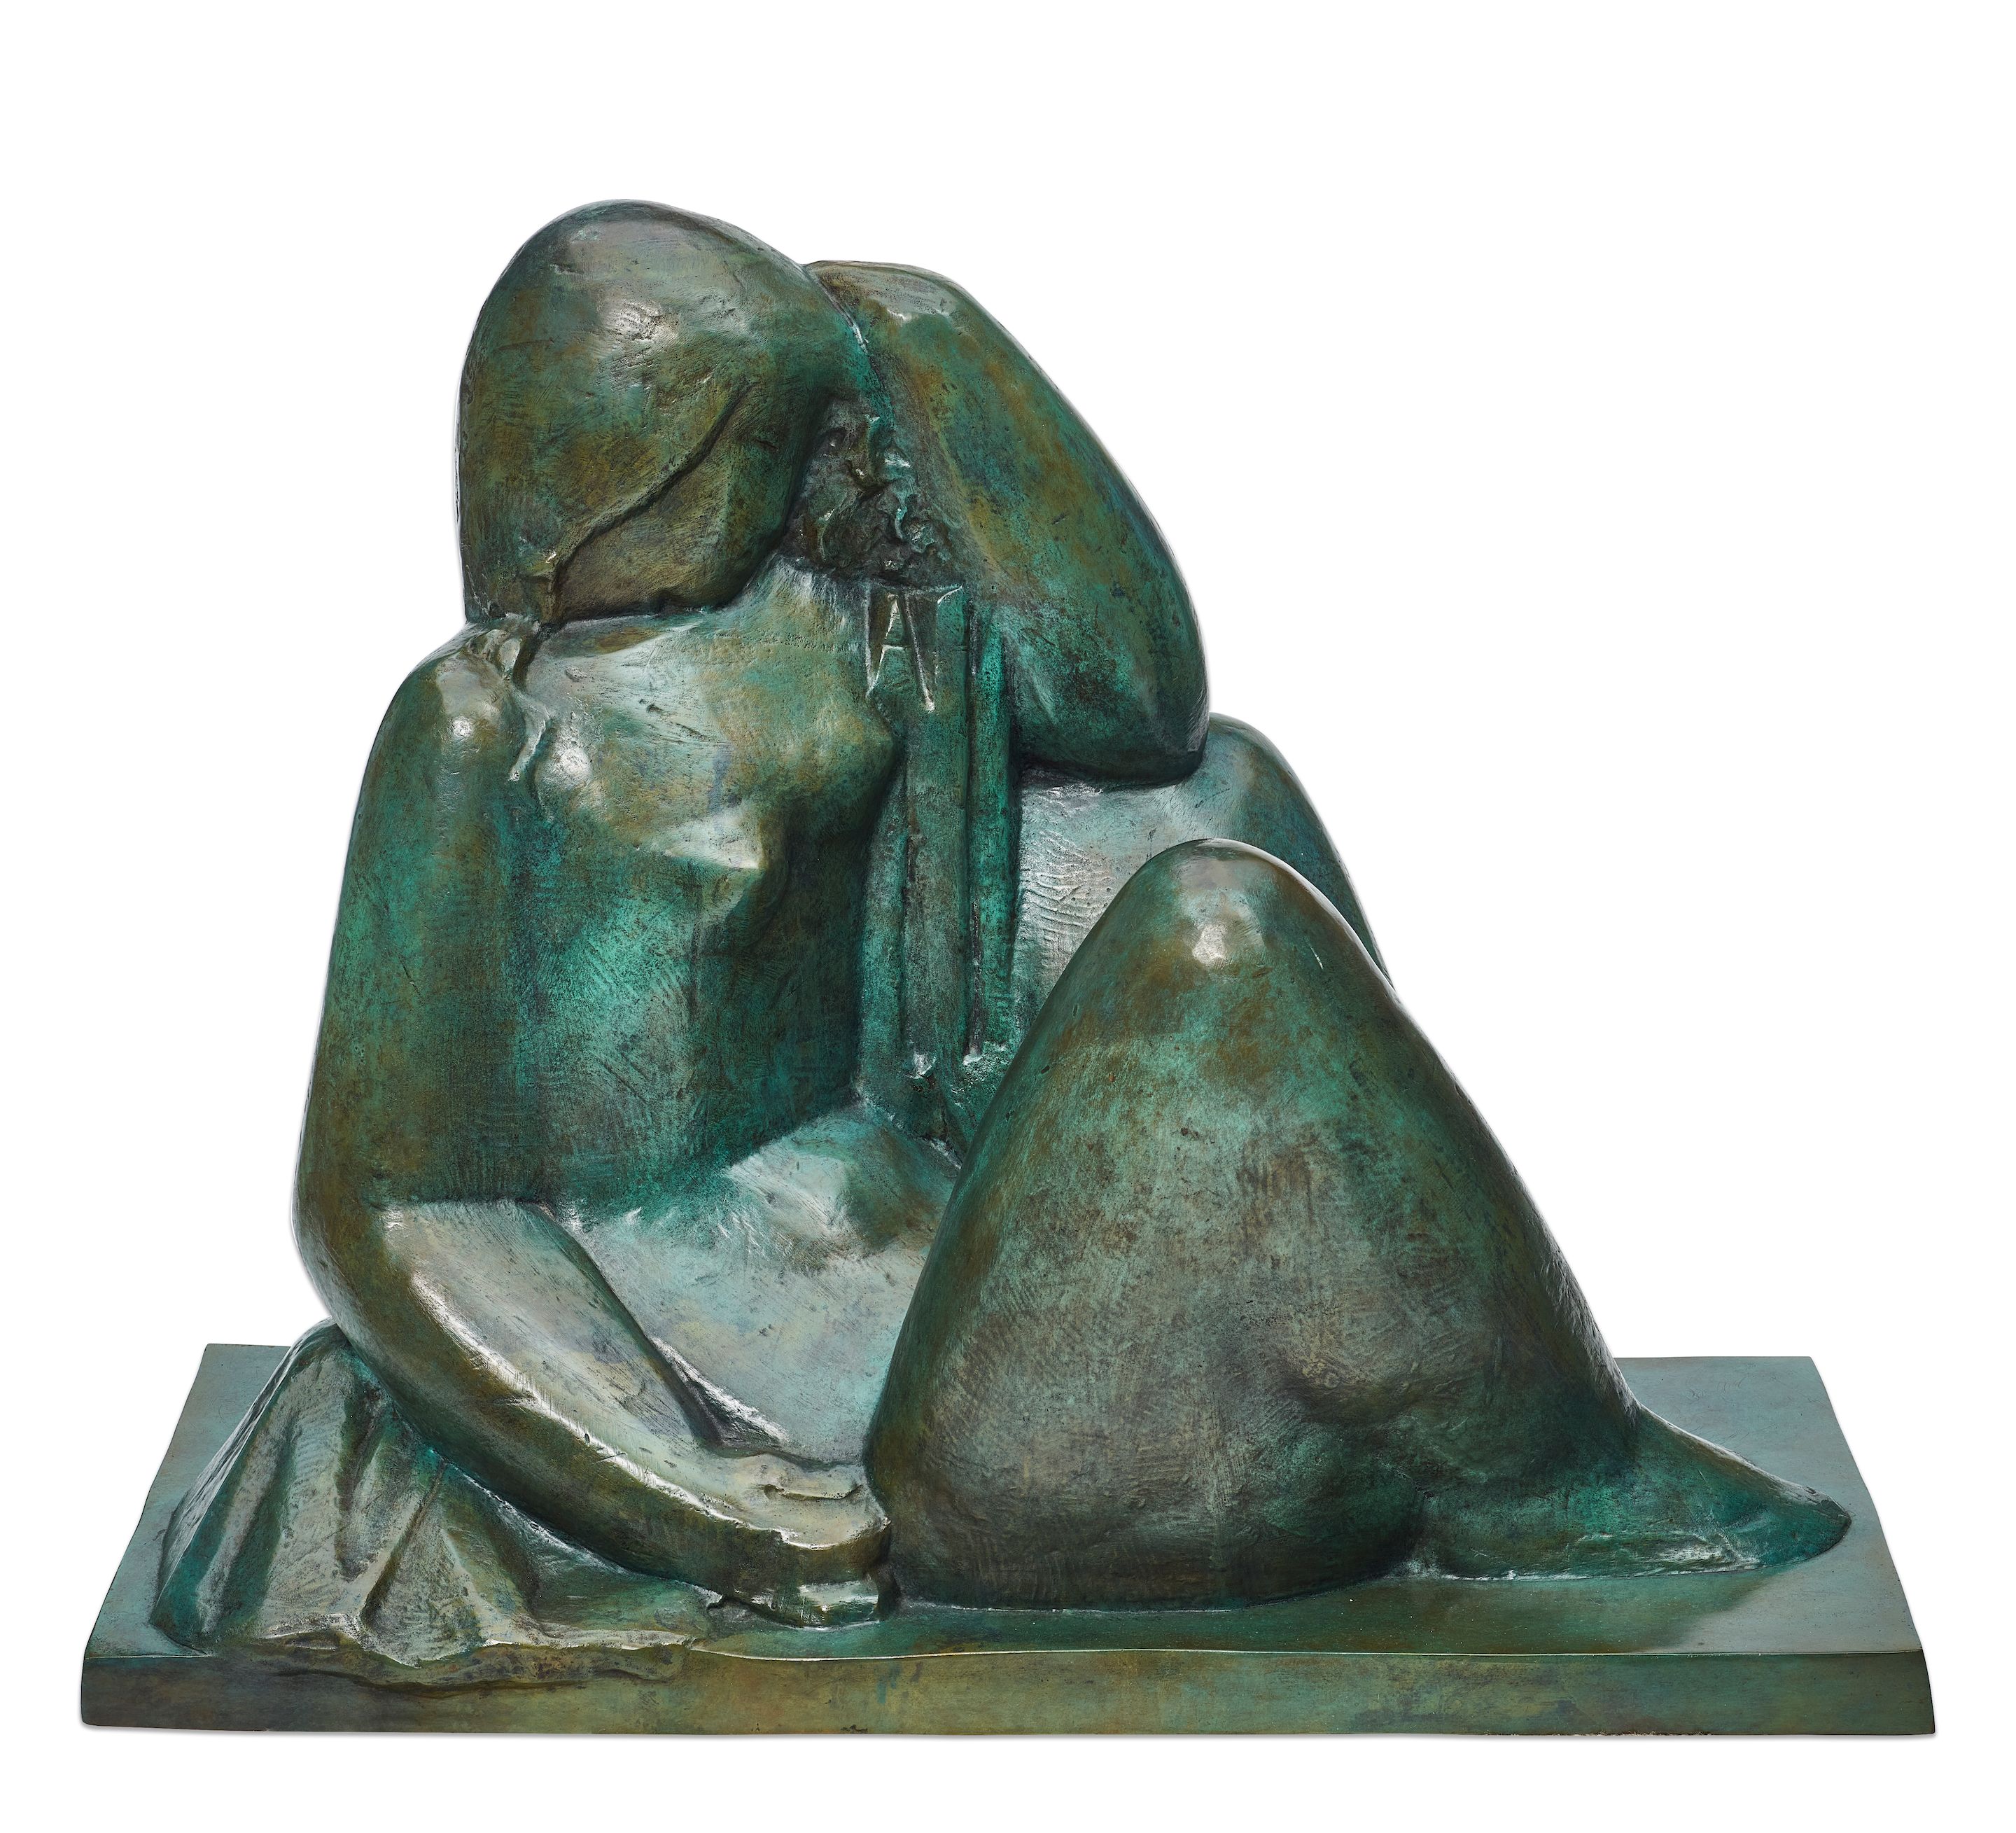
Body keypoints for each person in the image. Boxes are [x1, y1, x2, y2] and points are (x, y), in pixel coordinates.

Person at [155, 205, 1844, 1661]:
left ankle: (1463, 1389)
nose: (820, 475)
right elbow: (388, 1203)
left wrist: (919, 329)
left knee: (1213, 802)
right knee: (1215, 940)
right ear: (631, 458)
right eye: (770, 439)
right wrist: (694, 1507)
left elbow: (1144, 701)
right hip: (856, 1435)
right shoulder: (490, 738)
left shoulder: (823, 628)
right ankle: (1556, 1471)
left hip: (943, 1274)